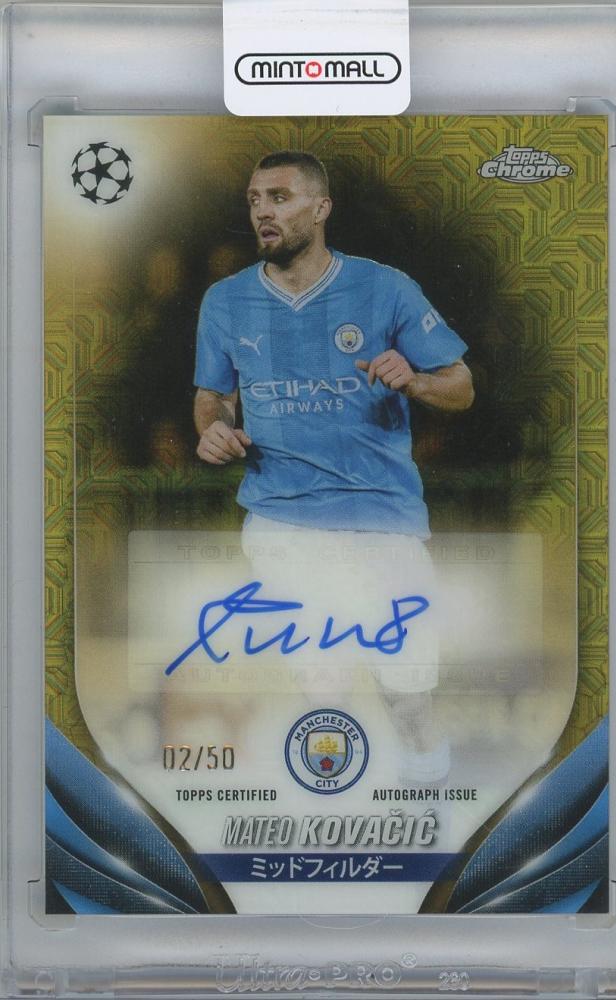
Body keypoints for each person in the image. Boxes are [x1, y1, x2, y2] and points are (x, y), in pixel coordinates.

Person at [194, 150, 474, 783]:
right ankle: (336, 808)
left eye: (280, 197)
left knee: (406, 694)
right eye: (254, 199)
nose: (263, 211)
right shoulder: (226, 300)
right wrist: (213, 428)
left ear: (321, 208)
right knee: (323, 688)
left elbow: (460, 386)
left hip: (383, 519)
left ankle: (427, 793)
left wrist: (416, 381)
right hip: (282, 520)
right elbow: (214, 395)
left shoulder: (385, 288)